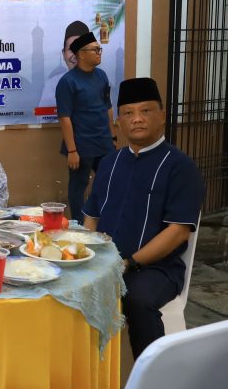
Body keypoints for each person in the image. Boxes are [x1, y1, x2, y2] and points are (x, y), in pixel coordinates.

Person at [83, 78, 204, 359]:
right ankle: (90, 378)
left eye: (146, 111)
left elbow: (178, 231)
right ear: (119, 122)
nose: (137, 119)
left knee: (137, 298)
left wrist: (130, 262)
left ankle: (151, 381)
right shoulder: (110, 163)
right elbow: (91, 218)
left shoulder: (180, 166)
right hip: (108, 262)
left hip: (156, 269)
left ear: (162, 116)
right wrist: (87, 255)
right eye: (128, 113)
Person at [55, 31, 118, 223]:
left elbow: (107, 108)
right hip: (81, 147)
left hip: (104, 143)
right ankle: (79, 226)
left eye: (100, 49)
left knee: (110, 183)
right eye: (95, 49)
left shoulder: (101, 76)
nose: (99, 53)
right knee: (78, 187)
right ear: (81, 54)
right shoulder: (67, 82)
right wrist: (72, 150)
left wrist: (112, 137)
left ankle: (106, 221)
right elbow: (64, 118)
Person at [38, 20, 90, 108]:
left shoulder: (100, 80)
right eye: (71, 49)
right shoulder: (51, 86)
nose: (76, 55)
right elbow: (44, 118)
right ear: (63, 54)